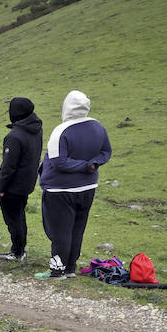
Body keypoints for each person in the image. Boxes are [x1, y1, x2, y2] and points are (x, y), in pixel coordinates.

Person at [36, 90, 112, 279]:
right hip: (87, 188)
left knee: (60, 231)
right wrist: (93, 165)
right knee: (77, 229)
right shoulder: (98, 126)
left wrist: (84, 166)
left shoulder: (61, 130)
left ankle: (57, 270)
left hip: (60, 189)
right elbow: (106, 152)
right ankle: (70, 268)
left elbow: (58, 161)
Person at [0, 97, 43, 261]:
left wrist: (1, 187)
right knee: (20, 216)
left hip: (13, 186)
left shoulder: (14, 137)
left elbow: (8, 167)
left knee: (13, 219)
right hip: (27, 182)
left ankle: (17, 251)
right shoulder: (36, 129)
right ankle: (20, 249)